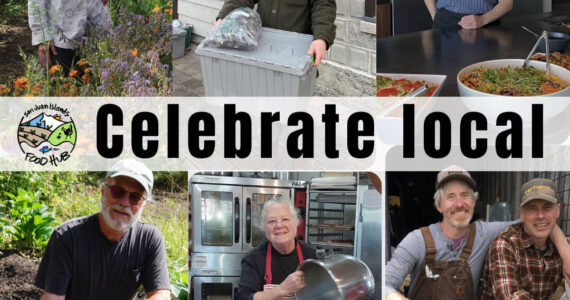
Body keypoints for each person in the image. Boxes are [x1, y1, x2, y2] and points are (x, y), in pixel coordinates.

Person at [35, 159, 171, 300]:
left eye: (135, 197)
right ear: (103, 190)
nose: (124, 202)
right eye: (118, 192)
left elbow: (160, 294)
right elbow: (53, 297)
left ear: (144, 204)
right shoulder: (67, 236)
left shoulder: (149, 238)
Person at [481, 178, 570, 299]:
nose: (540, 216)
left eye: (547, 207)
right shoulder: (505, 245)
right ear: (521, 214)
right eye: (532, 209)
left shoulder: (563, 246)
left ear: (558, 210)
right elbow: (510, 297)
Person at [237, 195, 316, 300]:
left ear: (296, 222)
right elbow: (243, 297)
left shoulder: (312, 255)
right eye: (272, 221)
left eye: (285, 219)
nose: (279, 225)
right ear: (264, 227)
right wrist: (282, 289)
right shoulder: (253, 259)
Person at [215, 0, 336, 66]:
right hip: (263, 49)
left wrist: (321, 37)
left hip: (296, 54)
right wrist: (224, 19)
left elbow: (324, 4)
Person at [28, 0, 112, 74]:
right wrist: (42, 37)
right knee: (64, 86)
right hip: (61, 38)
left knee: (98, 84)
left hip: (97, 29)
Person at [424, 0, 513, 30]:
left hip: (486, 26)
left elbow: (507, 3)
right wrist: (435, 17)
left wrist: (482, 20)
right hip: (445, 26)